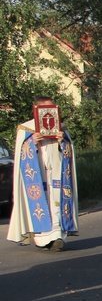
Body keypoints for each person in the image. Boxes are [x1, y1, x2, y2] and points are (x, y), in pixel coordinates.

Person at [7, 96, 78, 251]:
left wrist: (62, 142)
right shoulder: (26, 129)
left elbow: (68, 151)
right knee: (41, 205)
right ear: (37, 109)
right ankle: (43, 239)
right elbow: (21, 154)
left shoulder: (61, 127)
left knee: (56, 203)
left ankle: (57, 236)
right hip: (37, 175)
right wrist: (32, 143)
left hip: (56, 173)